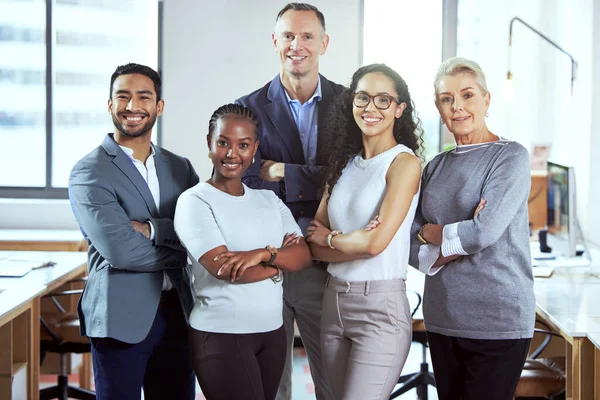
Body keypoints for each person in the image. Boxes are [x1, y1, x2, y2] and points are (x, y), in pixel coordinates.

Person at [408, 56, 535, 400]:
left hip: (497, 319)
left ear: (486, 100)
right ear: (438, 107)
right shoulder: (434, 167)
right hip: (443, 317)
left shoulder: (509, 157)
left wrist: (434, 233)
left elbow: (483, 233)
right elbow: (410, 248)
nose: (458, 107)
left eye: (467, 96)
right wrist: (462, 233)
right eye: (447, 99)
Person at [68, 63, 197, 399]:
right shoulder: (90, 171)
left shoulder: (179, 167)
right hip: (119, 316)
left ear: (159, 106)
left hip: (179, 314)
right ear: (110, 105)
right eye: (122, 97)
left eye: (143, 97)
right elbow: (121, 251)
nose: (132, 106)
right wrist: (181, 247)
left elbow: (203, 234)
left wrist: (152, 230)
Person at [235, 3, 344, 399]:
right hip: (269, 259)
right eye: (288, 36)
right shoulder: (246, 108)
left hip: (329, 261)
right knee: (269, 385)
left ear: (324, 43)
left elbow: (350, 177)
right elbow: (241, 181)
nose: (297, 45)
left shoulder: (350, 106)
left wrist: (280, 171)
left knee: (334, 382)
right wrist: (318, 177)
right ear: (275, 42)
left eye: (308, 36)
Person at [174, 103, 312, 400]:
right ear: (209, 144)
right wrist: (279, 262)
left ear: (255, 148)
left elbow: (303, 257)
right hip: (222, 334)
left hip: (272, 333)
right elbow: (228, 271)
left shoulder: (269, 201)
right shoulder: (195, 201)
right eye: (223, 142)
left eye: (243, 145)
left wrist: (261, 254)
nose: (232, 153)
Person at [306, 63, 423, 400]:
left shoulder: (403, 163)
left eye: (384, 100)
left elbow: (375, 245)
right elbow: (313, 246)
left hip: (380, 309)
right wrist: (350, 240)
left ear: (399, 109)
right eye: (363, 98)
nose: (371, 108)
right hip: (333, 303)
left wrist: (332, 239)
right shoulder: (343, 165)